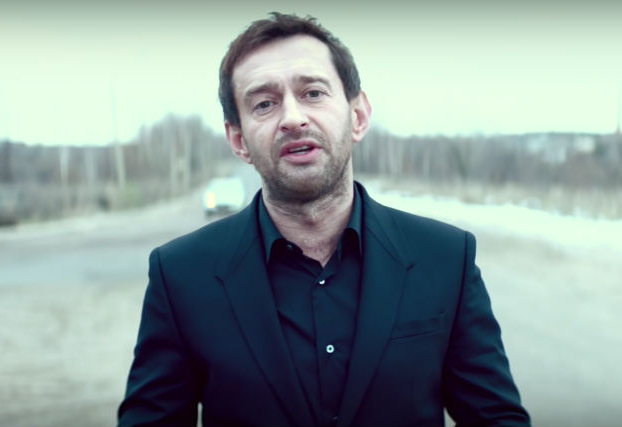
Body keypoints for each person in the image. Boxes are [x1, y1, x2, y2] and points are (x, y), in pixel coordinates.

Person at [118, 12, 530, 427]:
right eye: (264, 104)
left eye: (313, 93)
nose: (292, 118)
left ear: (358, 116)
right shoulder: (181, 275)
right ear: (239, 140)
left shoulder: (446, 258)